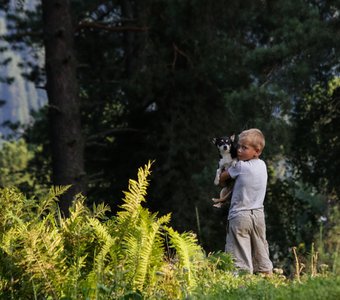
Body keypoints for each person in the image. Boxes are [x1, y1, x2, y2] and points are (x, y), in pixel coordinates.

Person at [219, 128, 273, 275]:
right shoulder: (262, 165)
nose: (239, 150)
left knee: (239, 260)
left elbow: (222, 178)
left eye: (244, 148)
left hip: (240, 217)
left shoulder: (240, 166)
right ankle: (269, 282)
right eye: (239, 146)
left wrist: (223, 169)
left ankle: (242, 290)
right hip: (258, 216)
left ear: (257, 151)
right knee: (261, 253)